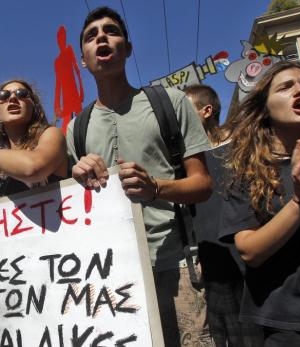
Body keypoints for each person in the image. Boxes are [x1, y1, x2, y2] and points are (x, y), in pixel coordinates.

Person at [67, 7, 214, 346]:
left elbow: (203, 184)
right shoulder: (77, 128)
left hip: (175, 265)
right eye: (92, 36)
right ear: (83, 61)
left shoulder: (170, 102)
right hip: (110, 275)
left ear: (128, 49)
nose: (102, 37)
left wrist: (155, 188)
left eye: (111, 31)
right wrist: (75, 179)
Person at [219, 61, 300, 345]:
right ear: (265, 108)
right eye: (286, 86)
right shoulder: (247, 175)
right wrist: (299, 203)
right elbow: (250, 251)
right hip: (290, 325)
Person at [184, 85, 264, 346]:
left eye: (183, 111)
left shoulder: (243, 149)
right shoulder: (185, 164)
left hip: (251, 264)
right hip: (214, 269)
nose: (177, 120)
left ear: (206, 111)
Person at [0, 79, 67, 199]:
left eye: (22, 94)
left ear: (34, 108)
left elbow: (32, 168)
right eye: (4, 95)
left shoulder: (51, 134)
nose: (13, 98)